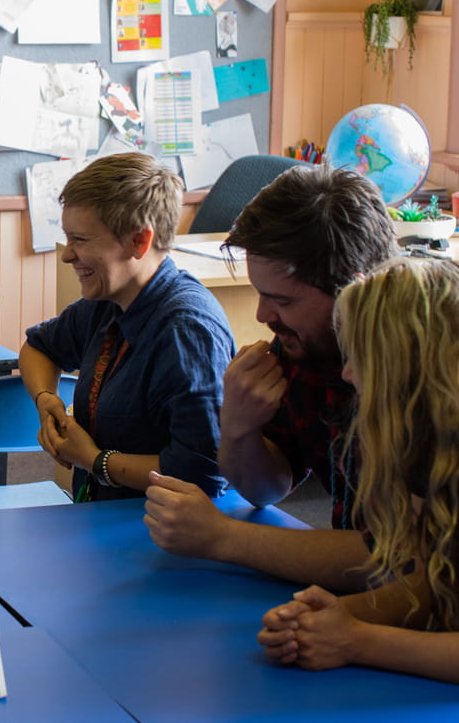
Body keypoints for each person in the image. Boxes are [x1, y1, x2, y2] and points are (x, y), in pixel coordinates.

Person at [259, 258, 459, 690]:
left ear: (415, 364)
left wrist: (356, 640)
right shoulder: (435, 441)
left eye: (361, 357)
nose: (347, 374)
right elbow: (429, 590)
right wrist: (326, 619)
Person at [145, 165, 396, 590]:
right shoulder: (305, 347)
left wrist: (223, 538)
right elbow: (266, 490)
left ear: (355, 293)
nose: (263, 317)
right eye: (261, 294)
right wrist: (239, 429)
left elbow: (392, 559)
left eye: (282, 300)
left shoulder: (418, 373)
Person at [20, 154, 233, 500]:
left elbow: (202, 474)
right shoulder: (107, 303)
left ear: (139, 241)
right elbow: (39, 348)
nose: (67, 255)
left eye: (81, 240)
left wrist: (93, 460)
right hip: (101, 517)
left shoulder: (186, 333)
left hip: (159, 530)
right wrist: (46, 399)